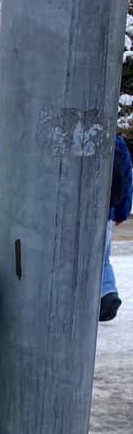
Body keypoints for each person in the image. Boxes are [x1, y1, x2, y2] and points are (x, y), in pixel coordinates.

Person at [100, 133, 132, 321]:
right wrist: (122, 212)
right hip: (106, 213)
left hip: (75, 214)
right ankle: (108, 292)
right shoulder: (116, 142)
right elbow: (126, 180)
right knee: (102, 259)